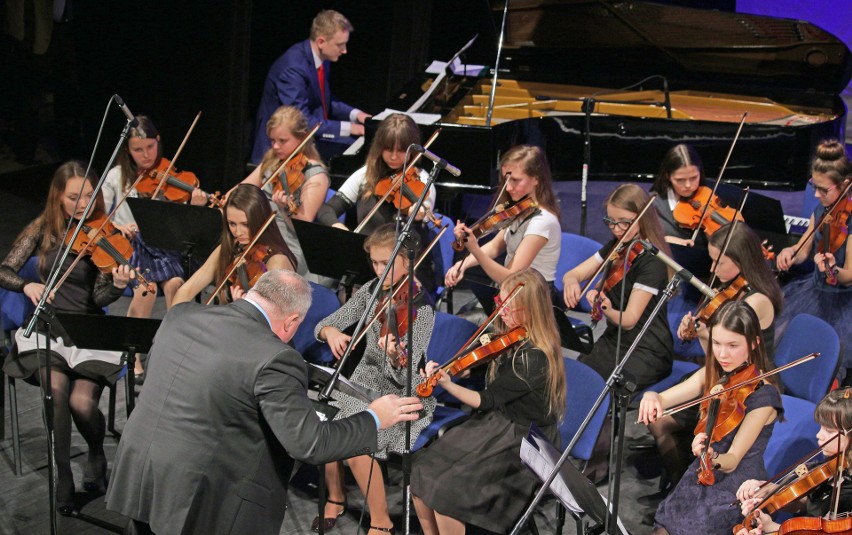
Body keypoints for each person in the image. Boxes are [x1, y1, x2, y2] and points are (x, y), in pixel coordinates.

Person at [105, 270, 424, 534]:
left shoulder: (179, 315)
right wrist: (374, 417)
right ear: (292, 320)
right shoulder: (276, 357)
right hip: (200, 495)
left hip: (142, 471)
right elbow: (311, 444)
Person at [0, 161, 137, 514]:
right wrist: (27, 283)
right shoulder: (43, 228)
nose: (84, 204)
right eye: (75, 197)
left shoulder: (106, 233)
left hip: (89, 329)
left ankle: (94, 450)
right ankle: (63, 473)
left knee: (80, 402)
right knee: (56, 390)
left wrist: (118, 284)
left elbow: (101, 299)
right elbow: (4, 270)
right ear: (58, 197)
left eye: (90, 196)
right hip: (48, 327)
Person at [410, 268, 566, 534]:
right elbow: (476, 369)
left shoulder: (534, 358)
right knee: (422, 472)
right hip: (497, 423)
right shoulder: (508, 338)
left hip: (523, 440)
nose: (501, 310)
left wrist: (447, 383)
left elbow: (486, 399)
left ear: (531, 310)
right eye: (500, 303)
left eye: (510, 306)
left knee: (446, 494)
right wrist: (450, 370)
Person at [314, 223, 436, 534]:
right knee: (327, 418)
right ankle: (336, 498)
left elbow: (410, 377)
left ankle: (382, 522)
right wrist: (331, 333)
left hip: (403, 392)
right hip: (364, 379)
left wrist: (395, 357)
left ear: (408, 261)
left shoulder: (422, 310)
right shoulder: (371, 291)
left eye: (386, 263)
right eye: (375, 262)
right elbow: (328, 323)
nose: (379, 270)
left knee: (357, 436)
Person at [647, 222, 783, 492]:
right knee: (661, 419)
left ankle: (687, 485)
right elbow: (718, 353)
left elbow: (725, 351)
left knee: (665, 424)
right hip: (721, 374)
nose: (712, 270)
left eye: (719, 262)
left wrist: (703, 333)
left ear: (741, 259)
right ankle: (683, 484)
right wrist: (696, 330)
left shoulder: (757, 301)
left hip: (747, 383)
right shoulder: (729, 289)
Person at [638, 300, 783, 535]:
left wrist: (711, 456)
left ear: (755, 343)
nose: (722, 354)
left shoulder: (764, 395)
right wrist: (652, 396)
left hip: (738, 484)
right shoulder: (716, 373)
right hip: (704, 469)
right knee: (664, 528)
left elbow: (733, 459)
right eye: (716, 343)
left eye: (733, 345)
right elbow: (664, 399)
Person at [562, 183, 674, 390]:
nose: (617, 229)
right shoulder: (618, 245)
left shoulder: (652, 261)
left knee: (599, 389)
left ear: (642, 217)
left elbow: (630, 320)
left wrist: (605, 307)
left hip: (647, 348)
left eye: (625, 222)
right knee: (577, 379)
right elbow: (574, 273)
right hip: (616, 339)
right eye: (611, 222)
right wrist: (570, 281)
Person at [315, 112, 438, 295]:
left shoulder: (422, 180)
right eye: (388, 149)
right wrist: (338, 226)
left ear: (412, 150)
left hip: (406, 268)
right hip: (369, 265)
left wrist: (418, 210)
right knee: (349, 298)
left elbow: (424, 206)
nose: (394, 156)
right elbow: (327, 209)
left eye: (401, 150)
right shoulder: (365, 176)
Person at [445, 144, 562, 309]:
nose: (508, 187)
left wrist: (475, 250)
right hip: (513, 293)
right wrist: (462, 264)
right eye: (506, 180)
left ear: (537, 179)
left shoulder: (542, 222)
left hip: (535, 301)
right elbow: (495, 246)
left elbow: (510, 277)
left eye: (515, 180)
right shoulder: (520, 209)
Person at [775, 139, 852, 383]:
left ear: (845, 185)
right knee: (782, 342)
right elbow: (803, 250)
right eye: (813, 186)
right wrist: (789, 253)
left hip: (843, 300)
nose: (816, 195)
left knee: (831, 366)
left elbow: (848, 275)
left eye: (823, 190)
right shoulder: (820, 212)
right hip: (814, 291)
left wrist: (833, 269)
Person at [250, 9, 370, 164]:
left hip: (307, 140)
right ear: (321, 42)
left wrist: (357, 115)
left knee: (360, 147)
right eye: (340, 45)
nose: (344, 51)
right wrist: (351, 128)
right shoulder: (293, 69)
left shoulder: (322, 58)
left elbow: (325, 100)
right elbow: (302, 121)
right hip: (277, 151)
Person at [735, 388, 852, 535]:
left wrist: (774, 529)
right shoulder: (831, 465)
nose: (818, 435)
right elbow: (807, 504)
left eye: (829, 430)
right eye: (821, 427)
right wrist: (770, 491)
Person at [172, 184, 296, 306]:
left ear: (260, 219)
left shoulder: (277, 260)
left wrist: (244, 307)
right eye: (232, 224)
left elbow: (274, 316)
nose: (237, 232)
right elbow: (186, 290)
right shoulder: (231, 247)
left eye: (245, 224)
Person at [242, 105, 330, 275]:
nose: (275, 146)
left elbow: (303, 223)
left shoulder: (315, 174)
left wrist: (284, 210)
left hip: (288, 246)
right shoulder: (272, 162)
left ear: (302, 138)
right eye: (272, 141)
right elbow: (243, 189)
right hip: (259, 238)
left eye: (282, 141)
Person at [650, 143, 709, 246]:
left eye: (694, 178)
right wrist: (666, 239)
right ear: (668, 176)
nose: (688, 185)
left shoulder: (710, 196)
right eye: (680, 180)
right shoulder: (653, 203)